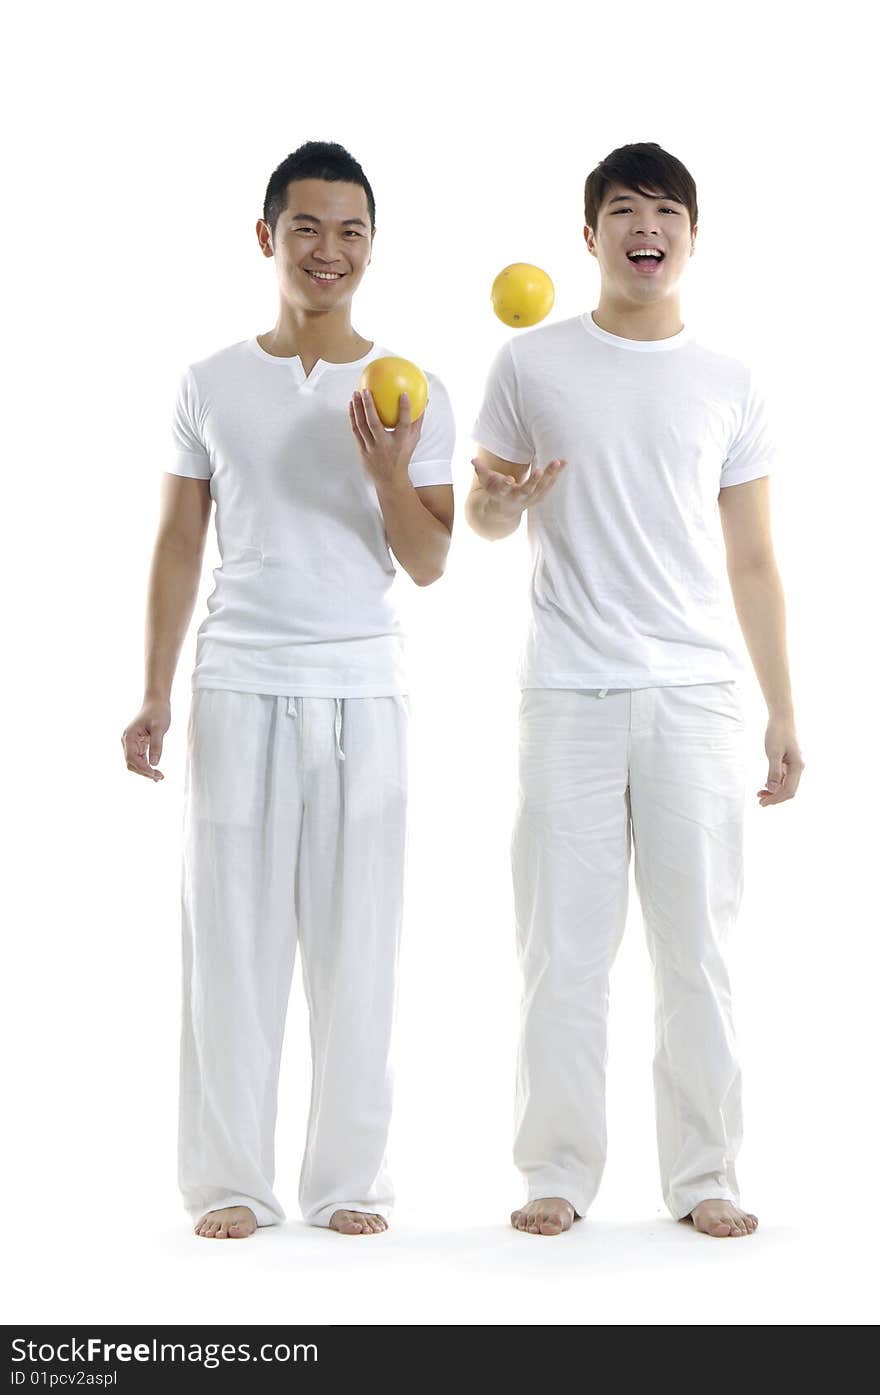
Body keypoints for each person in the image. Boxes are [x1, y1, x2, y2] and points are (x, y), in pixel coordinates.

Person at [466, 141, 805, 1240]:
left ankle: (705, 1174)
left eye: (663, 210)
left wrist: (783, 712)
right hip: (566, 689)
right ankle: (553, 1174)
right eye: (622, 209)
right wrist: (506, 503)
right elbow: (481, 515)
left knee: (694, 952)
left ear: (690, 238)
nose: (643, 225)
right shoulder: (528, 363)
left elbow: (753, 559)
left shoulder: (731, 380)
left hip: (698, 696)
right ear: (590, 236)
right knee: (560, 948)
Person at [121, 141, 455, 1238]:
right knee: (231, 939)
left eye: (350, 231)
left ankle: (348, 1183)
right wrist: (155, 692)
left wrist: (387, 473)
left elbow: (430, 560)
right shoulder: (209, 382)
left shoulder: (413, 387)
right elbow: (179, 543)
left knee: (361, 940)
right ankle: (228, 1181)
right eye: (307, 227)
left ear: (372, 245)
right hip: (237, 682)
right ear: (267, 236)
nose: (329, 250)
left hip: (364, 686)